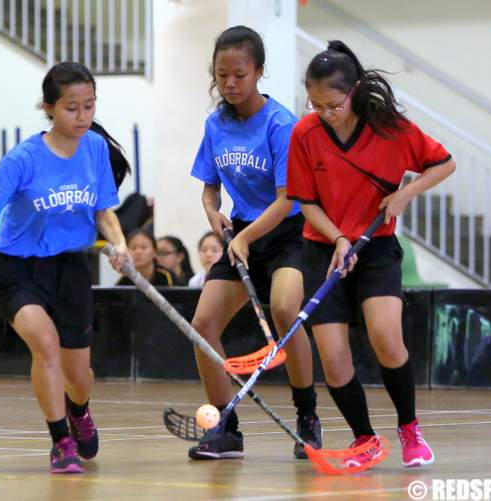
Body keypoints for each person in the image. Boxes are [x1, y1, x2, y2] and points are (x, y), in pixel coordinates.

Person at [0, 61, 130, 474]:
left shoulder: (96, 149)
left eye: (89, 106)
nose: (82, 117)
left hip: (70, 269)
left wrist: (119, 243)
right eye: (71, 108)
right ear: (49, 108)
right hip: (16, 270)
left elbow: (103, 210)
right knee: (44, 343)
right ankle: (60, 441)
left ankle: (78, 408)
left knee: (80, 375)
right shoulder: (23, 158)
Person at [286, 40, 456, 468]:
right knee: (335, 357)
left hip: (376, 248)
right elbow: (306, 201)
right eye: (316, 103)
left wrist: (406, 194)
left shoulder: (391, 129)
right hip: (323, 250)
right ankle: (364, 438)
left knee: (385, 337)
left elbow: (444, 163)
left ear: (355, 90)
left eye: (334, 103)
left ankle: (409, 428)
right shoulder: (304, 133)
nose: (326, 111)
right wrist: (339, 239)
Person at [187, 26, 319, 460]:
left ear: (259, 72)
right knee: (203, 324)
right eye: (222, 75)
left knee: (285, 310)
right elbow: (209, 187)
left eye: (239, 75)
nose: (229, 83)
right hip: (241, 231)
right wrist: (212, 213)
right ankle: (225, 426)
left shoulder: (283, 125)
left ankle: (307, 417)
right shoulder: (215, 124)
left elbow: (287, 201)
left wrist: (243, 237)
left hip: (287, 234)